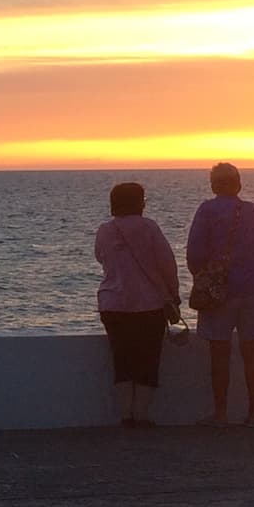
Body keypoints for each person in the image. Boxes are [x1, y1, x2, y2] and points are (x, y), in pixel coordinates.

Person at [188, 163, 254, 427]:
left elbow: (194, 254)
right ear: (238, 183)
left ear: (214, 185)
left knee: (219, 352)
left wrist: (204, 279)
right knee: (252, 353)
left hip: (220, 293)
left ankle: (220, 414)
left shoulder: (207, 211)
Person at [94, 182, 181, 428]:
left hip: (113, 303)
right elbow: (167, 264)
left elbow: (100, 257)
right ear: (139, 202)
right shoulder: (149, 228)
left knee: (122, 359)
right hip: (149, 303)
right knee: (148, 358)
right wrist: (173, 296)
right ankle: (141, 414)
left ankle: (125, 415)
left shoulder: (105, 230)